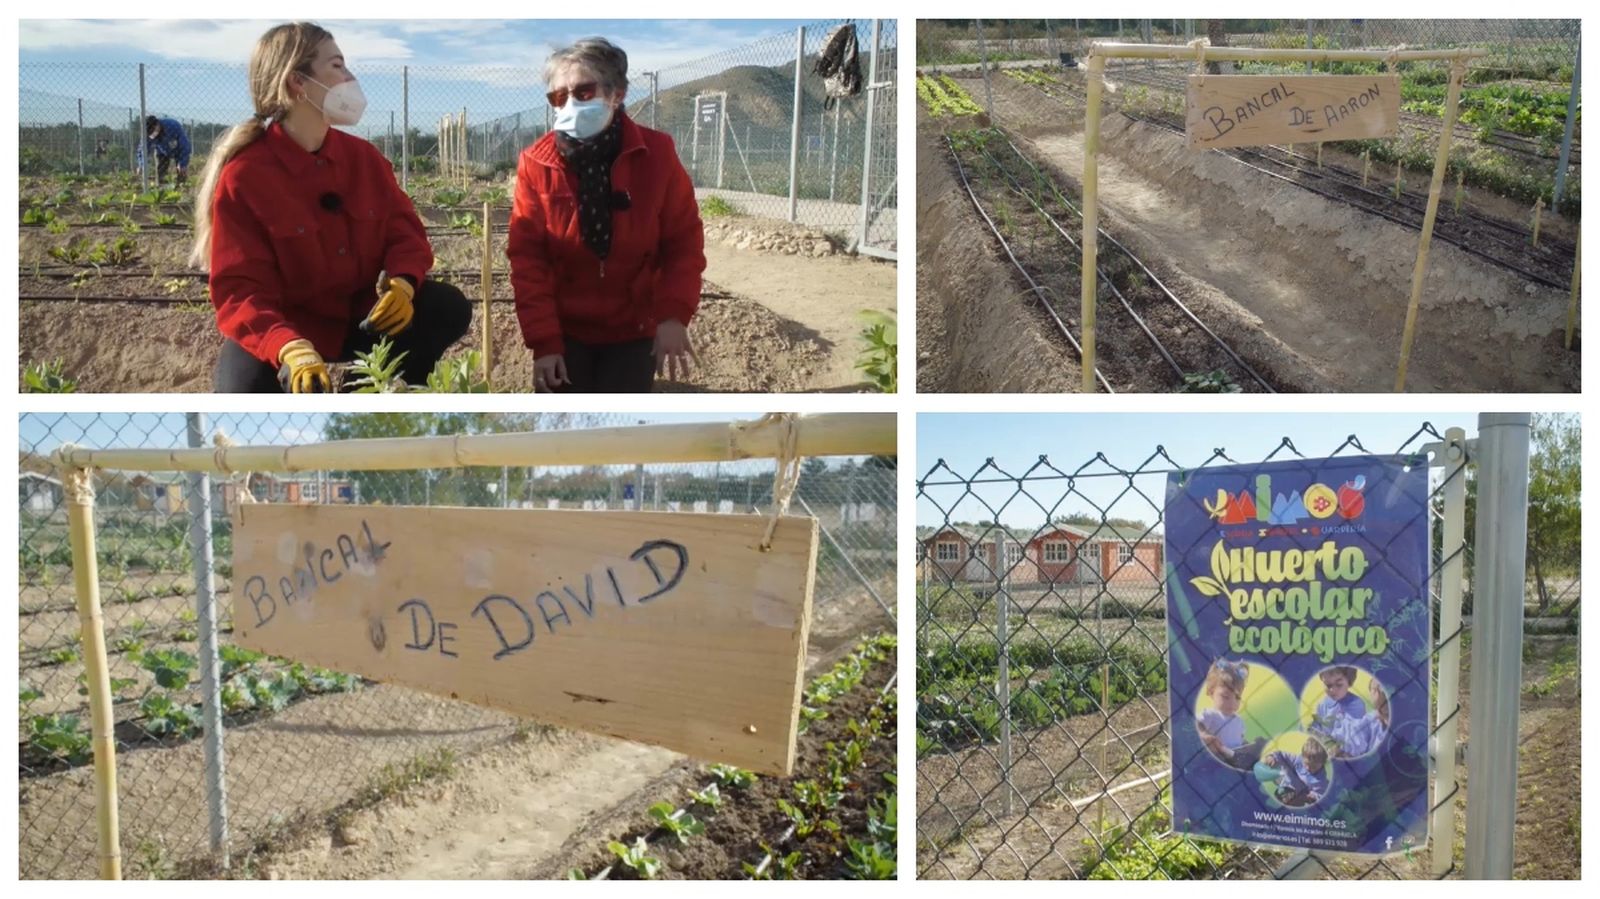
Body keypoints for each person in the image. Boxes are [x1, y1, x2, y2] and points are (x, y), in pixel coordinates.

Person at [189, 22, 470, 393]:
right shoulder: (246, 176)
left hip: (366, 319)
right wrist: (286, 346)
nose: (350, 77)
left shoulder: (364, 159)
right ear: (297, 83)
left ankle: (365, 389)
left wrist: (402, 283)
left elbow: (406, 234)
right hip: (290, 331)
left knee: (445, 307)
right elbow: (240, 290)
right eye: (337, 66)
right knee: (241, 392)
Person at [508, 37, 705, 393]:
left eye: (583, 92)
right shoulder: (536, 164)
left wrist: (673, 315)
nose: (568, 103)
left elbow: (683, 241)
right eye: (558, 96)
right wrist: (544, 342)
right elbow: (528, 260)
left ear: (617, 93)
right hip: (565, 331)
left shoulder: (657, 155)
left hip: (633, 327)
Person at [1197, 659, 1264, 770]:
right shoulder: (1210, 714)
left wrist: (1249, 745)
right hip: (1218, 760)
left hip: (1236, 758)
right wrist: (1203, 734)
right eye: (1225, 697)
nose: (1232, 703)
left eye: (1237, 697)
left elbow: (1240, 740)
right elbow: (1198, 724)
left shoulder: (1238, 720)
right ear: (1211, 691)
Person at [1329, 679, 1390, 758]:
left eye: (1382, 688)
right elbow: (1355, 735)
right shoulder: (1370, 721)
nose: (1381, 693)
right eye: (1376, 689)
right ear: (1371, 695)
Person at [139, 115, 192, 186]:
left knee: (181, 171)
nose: (152, 134)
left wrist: (182, 163)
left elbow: (184, 146)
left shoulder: (173, 126)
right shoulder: (148, 134)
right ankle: (161, 186)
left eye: (153, 130)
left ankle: (181, 186)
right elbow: (143, 149)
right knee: (160, 172)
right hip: (162, 151)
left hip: (178, 150)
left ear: (157, 125)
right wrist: (142, 165)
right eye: (150, 132)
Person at [1312, 665, 1366, 731]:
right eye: (1328, 685)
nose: (1332, 690)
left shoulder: (1357, 704)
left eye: (1339, 684)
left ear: (1349, 682)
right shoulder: (1322, 705)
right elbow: (1317, 728)